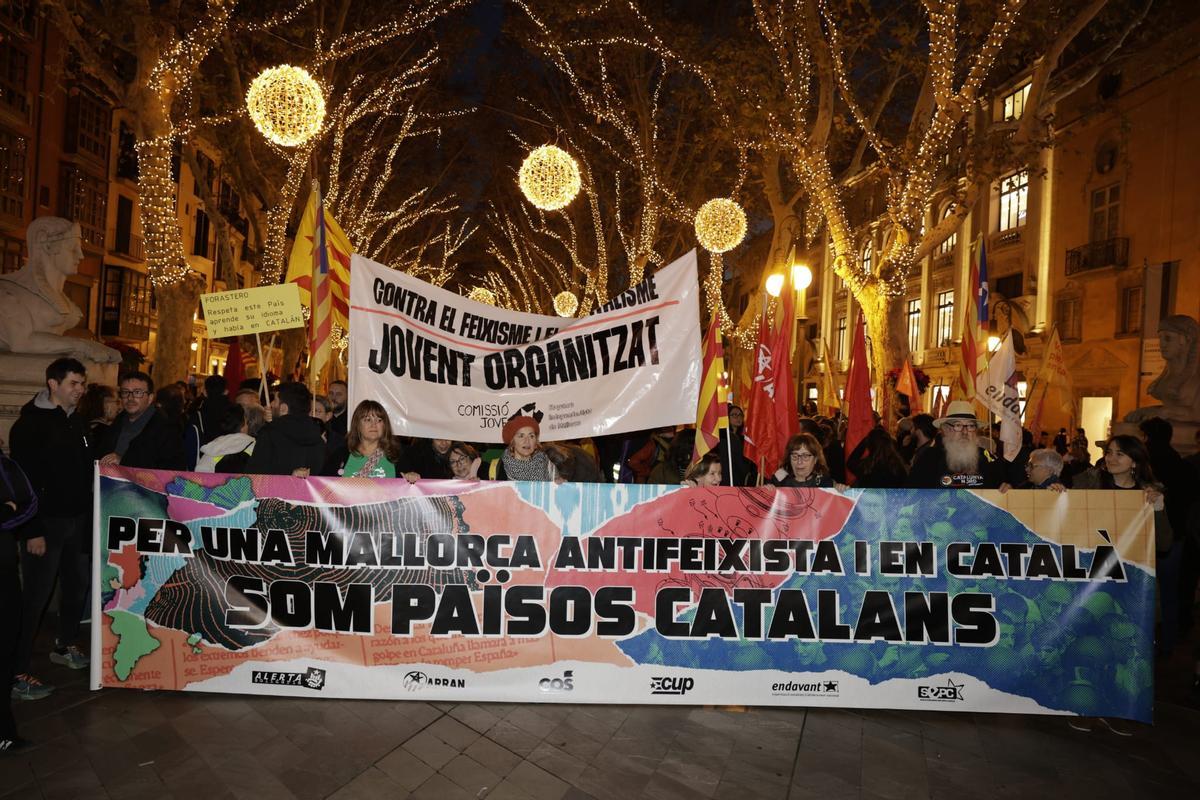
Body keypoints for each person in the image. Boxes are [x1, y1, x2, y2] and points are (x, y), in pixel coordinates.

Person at [8, 358, 94, 700]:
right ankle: (15, 670)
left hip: (77, 521)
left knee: (76, 586)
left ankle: (66, 643)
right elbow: (22, 485)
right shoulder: (29, 426)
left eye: (82, 384)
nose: (80, 390)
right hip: (46, 525)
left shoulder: (79, 423)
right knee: (35, 599)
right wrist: (32, 531)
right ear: (52, 384)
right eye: (74, 383)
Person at [1, 434, 37, 742]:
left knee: (7, 642)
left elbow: (28, 503)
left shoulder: (6, 466)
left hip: (4, 570)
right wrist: (5, 510)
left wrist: (9, 511)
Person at [98, 372, 187, 470]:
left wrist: (124, 462)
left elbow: (171, 472)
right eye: (125, 392)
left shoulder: (166, 430)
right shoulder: (117, 423)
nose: (130, 398)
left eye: (137, 392)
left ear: (150, 398)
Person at [907, 401, 1006, 489]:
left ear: (975, 431)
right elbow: (913, 496)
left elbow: (1003, 490)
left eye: (971, 426)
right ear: (946, 429)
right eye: (958, 425)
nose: (965, 432)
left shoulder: (987, 458)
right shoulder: (929, 457)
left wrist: (1007, 488)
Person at [245, 382, 326, 477]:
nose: (271, 404)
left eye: (275, 400)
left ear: (283, 408)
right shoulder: (317, 436)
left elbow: (254, 476)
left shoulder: (270, 434)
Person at [323, 400, 404, 478]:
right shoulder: (340, 454)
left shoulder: (396, 455)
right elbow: (320, 485)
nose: (374, 425)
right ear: (357, 424)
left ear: (385, 425)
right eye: (368, 420)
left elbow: (409, 488)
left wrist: (412, 479)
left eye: (379, 420)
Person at [196, 404, 262, 473]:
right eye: (246, 423)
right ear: (242, 427)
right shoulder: (253, 445)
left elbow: (200, 472)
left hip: (214, 482)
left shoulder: (212, 447)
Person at [488, 415, 557, 481]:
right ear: (512, 442)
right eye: (521, 436)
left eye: (531, 436)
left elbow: (559, 490)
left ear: (536, 442)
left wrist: (562, 484)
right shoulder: (499, 468)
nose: (527, 441)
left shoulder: (547, 464)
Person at [770, 433, 838, 488]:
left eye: (805, 456)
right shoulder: (778, 481)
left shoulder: (825, 484)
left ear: (815, 459)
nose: (799, 461)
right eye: (795, 456)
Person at [1000, 448, 1067, 492]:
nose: (1027, 469)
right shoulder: (1028, 485)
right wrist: (1011, 493)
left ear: (1049, 470)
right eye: (1027, 465)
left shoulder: (1057, 490)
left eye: (1031, 466)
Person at [77, 383, 118, 449]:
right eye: (116, 402)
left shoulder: (82, 426)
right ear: (105, 404)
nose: (119, 407)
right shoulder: (107, 432)